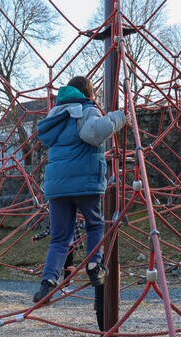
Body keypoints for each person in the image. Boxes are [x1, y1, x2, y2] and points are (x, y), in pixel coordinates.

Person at [33, 75, 130, 305]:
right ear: (89, 95)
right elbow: (93, 133)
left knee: (60, 237)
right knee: (94, 224)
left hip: (57, 186)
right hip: (84, 182)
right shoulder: (86, 109)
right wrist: (118, 117)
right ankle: (94, 265)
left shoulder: (55, 114)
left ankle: (47, 283)